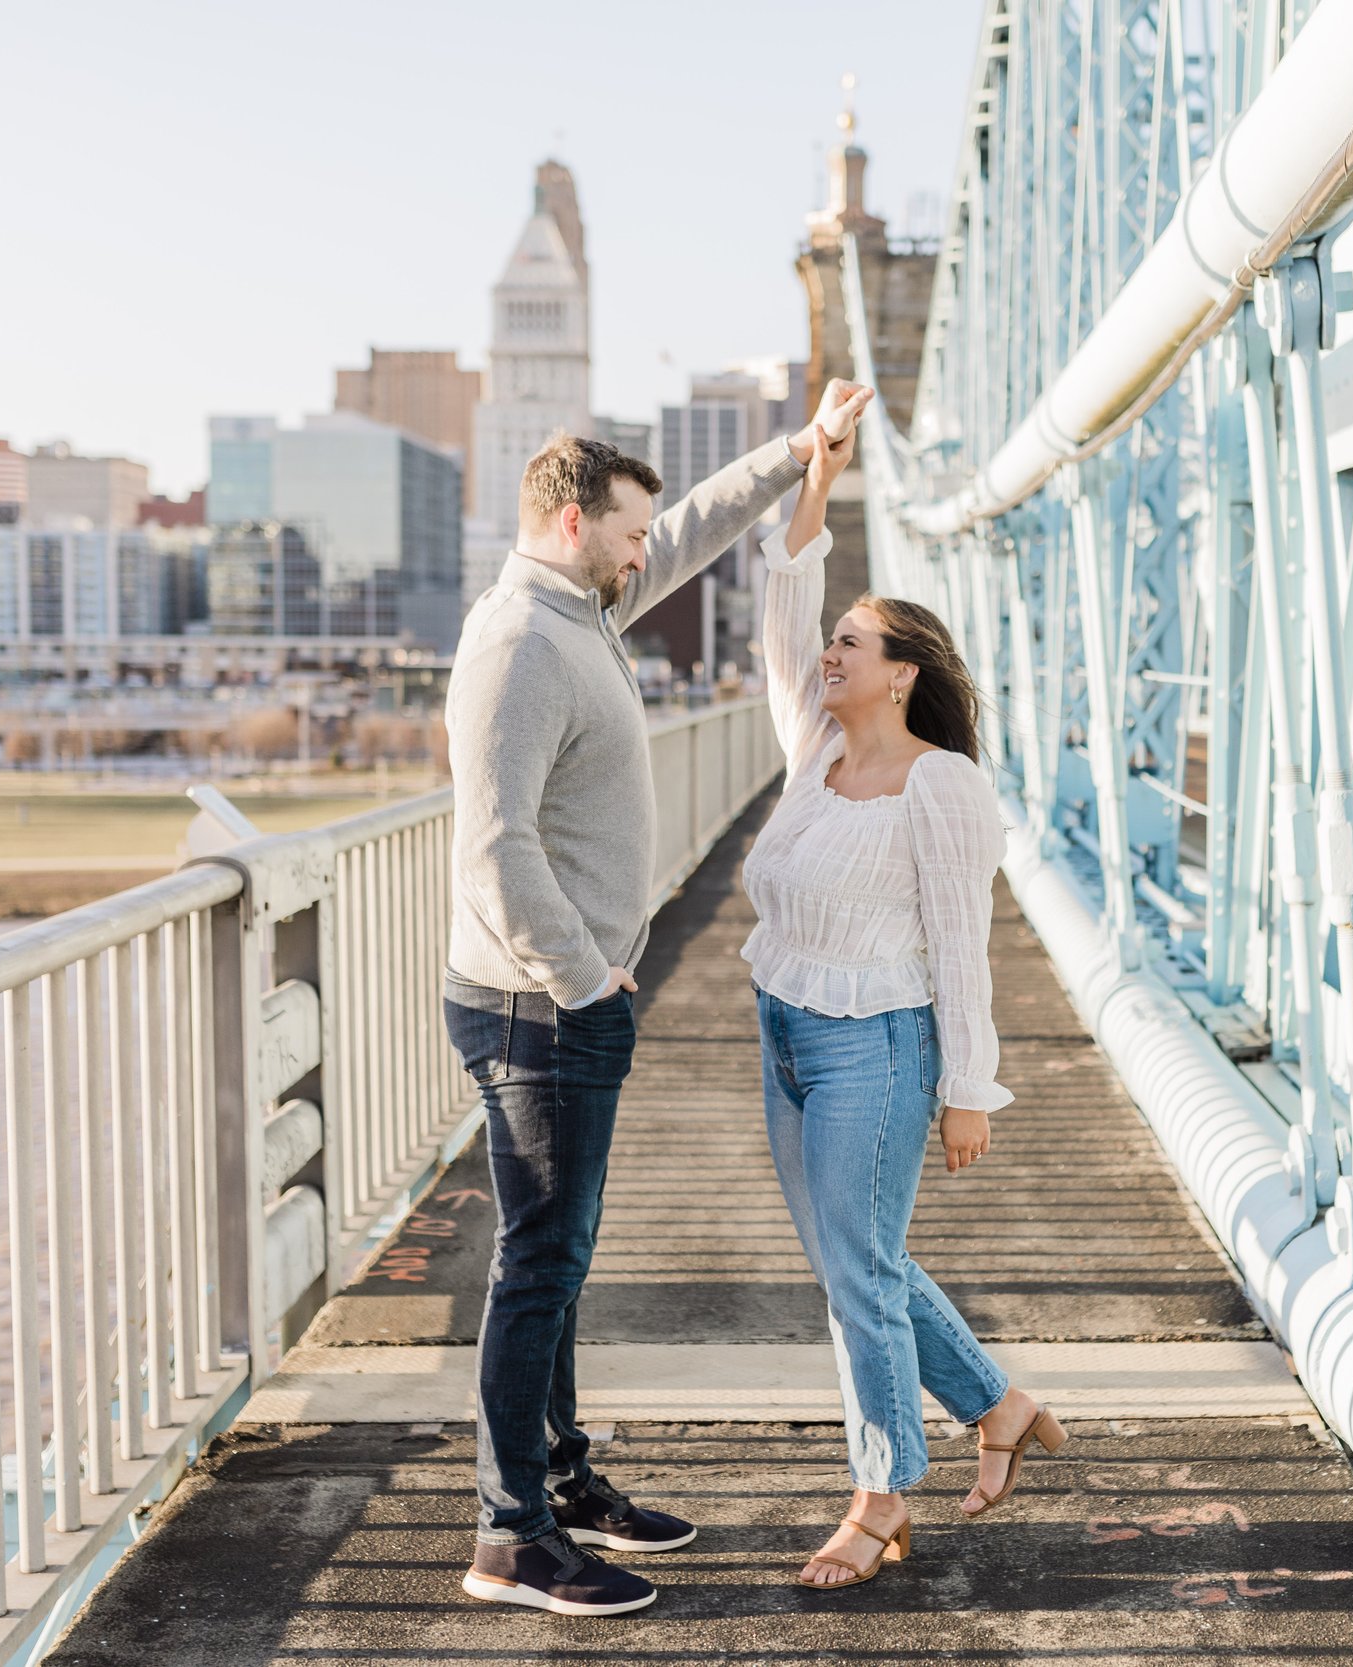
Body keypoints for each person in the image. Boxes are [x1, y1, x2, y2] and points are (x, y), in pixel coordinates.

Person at [442, 401, 861, 1617]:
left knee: (557, 1261)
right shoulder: (521, 641)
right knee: (539, 1264)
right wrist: (584, 977)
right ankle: (509, 1536)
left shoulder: (583, 602)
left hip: (560, 997)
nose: (645, 554)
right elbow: (493, 845)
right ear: (570, 522)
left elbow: (684, 531)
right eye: (624, 533)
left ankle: (558, 1478)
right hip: (542, 1006)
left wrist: (794, 454)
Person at [740, 383, 1066, 1590]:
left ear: (903, 675)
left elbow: (959, 942)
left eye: (852, 645)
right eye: (835, 642)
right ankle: (997, 1400)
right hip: (784, 1026)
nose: (829, 652)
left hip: (875, 1046)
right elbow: (785, 604)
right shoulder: (816, 747)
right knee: (851, 1262)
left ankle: (878, 1496)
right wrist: (818, 471)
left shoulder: (941, 788)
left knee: (859, 1274)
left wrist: (966, 1086)